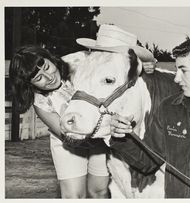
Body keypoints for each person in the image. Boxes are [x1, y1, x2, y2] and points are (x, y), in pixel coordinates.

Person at [9, 43, 157, 198]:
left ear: (50, 58)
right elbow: (66, 136)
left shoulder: (76, 61)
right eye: (39, 78)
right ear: (29, 85)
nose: (49, 77)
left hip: (100, 134)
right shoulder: (39, 100)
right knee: (73, 195)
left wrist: (146, 62)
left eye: (47, 67)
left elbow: (122, 55)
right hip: (70, 141)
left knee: (99, 190)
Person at [105, 36, 190, 198]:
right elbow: (147, 162)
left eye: (183, 70)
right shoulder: (168, 108)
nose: (177, 78)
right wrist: (121, 136)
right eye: (176, 69)